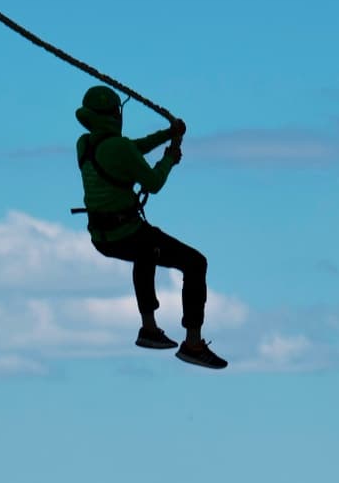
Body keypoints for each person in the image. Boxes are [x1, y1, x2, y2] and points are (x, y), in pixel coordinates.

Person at [74, 85, 227, 369]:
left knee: (146, 251)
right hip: (127, 232)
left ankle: (149, 328)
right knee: (194, 263)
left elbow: (131, 149)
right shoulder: (118, 147)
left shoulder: (85, 144)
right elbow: (153, 183)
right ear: (114, 115)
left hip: (101, 237)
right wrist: (169, 158)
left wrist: (168, 135)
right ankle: (191, 342)